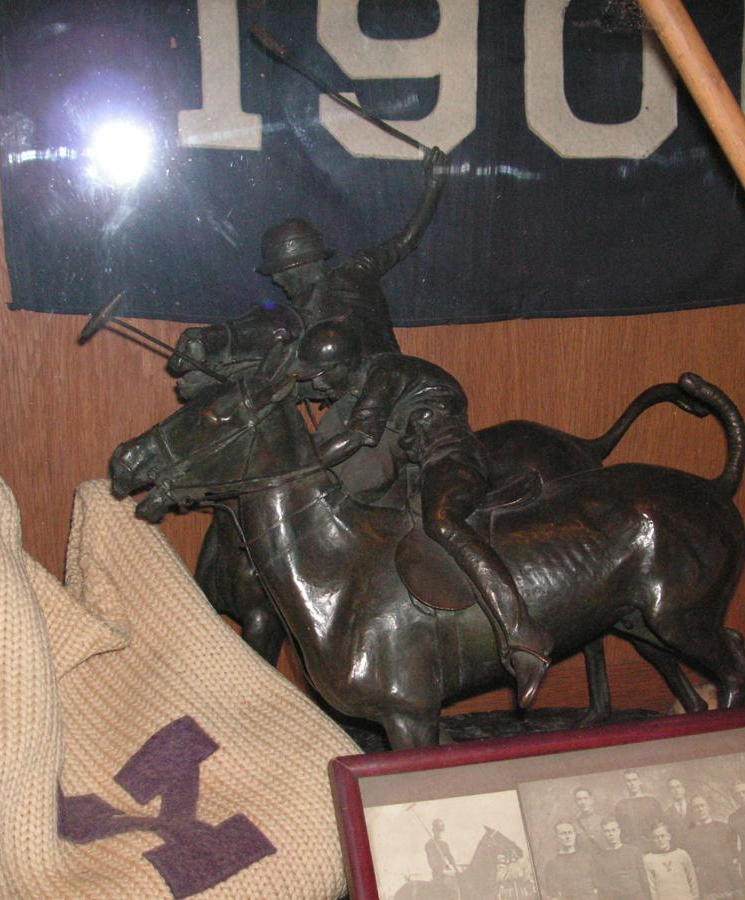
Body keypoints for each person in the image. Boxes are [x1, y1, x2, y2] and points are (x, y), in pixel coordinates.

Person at [290, 319, 554, 706]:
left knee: (443, 522)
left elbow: (361, 435)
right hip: (415, 470)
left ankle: (524, 635)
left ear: (343, 364)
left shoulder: (383, 375)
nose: (318, 388)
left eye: (321, 377)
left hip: (451, 457)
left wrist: (296, 470)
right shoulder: (361, 381)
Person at [258, 146, 449, 361]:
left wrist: (435, 185)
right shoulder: (301, 314)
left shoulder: (355, 274)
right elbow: (406, 241)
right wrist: (435, 185)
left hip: (384, 374)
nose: (276, 279)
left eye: (280, 271)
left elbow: (406, 241)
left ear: (301, 265)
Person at [679, 797, 742, 900]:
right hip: (708, 889)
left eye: (702, 805)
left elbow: (734, 856)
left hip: (731, 885)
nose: (700, 809)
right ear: (692, 812)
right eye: (696, 807)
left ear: (708, 807)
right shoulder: (689, 835)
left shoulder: (725, 828)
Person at [593, 818, 650, 900]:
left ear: (619, 831)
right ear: (603, 834)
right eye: (607, 831)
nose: (611, 834)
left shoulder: (633, 851)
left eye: (613, 830)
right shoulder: (600, 858)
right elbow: (602, 886)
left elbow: (644, 879)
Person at [542, 821, 598, 900]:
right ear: (556, 837)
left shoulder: (587, 859)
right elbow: (552, 894)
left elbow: (597, 887)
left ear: (574, 835)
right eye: (563, 833)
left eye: (570, 832)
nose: (568, 836)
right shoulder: (552, 865)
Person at [644, 823, 699, 900]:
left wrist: (695, 897)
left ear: (669, 837)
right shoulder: (649, 859)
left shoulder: (681, 854)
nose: (660, 840)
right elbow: (651, 887)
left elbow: (693, 880)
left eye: (662, 836)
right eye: (656, 837)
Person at [614, 771, 664, 849]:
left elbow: (661, 825)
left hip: (653, 845)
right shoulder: (620, 805)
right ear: (625, 784)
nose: (632, 783)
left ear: (639, 781)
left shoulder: (652, 802)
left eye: (634, 780)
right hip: (631, 847)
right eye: (628, 781)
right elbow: (620, 830)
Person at [425, 818, 459, 898]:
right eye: (437, 830)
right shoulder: (429, 845)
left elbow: (451, 858)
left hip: (448, 872)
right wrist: (443, 871)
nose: (439, 832)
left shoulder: (444, 844)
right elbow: (432, 863)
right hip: (438, 874)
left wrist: (456, 869)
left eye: (441, 830)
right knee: (451, 888)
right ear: (433, 831)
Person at [572, 787, 608, 854]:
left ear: (592, 800)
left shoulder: (604, 819)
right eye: (579, 799)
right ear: (576, 802)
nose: (583, 802)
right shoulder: (574, 825)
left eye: (585, 798)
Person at [663, 779, 691, 845]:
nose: (676, 790)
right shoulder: (667, 814)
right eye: (672, 788)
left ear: (683, 789)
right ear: (669, 792)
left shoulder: (693, 807)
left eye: (678, 786)